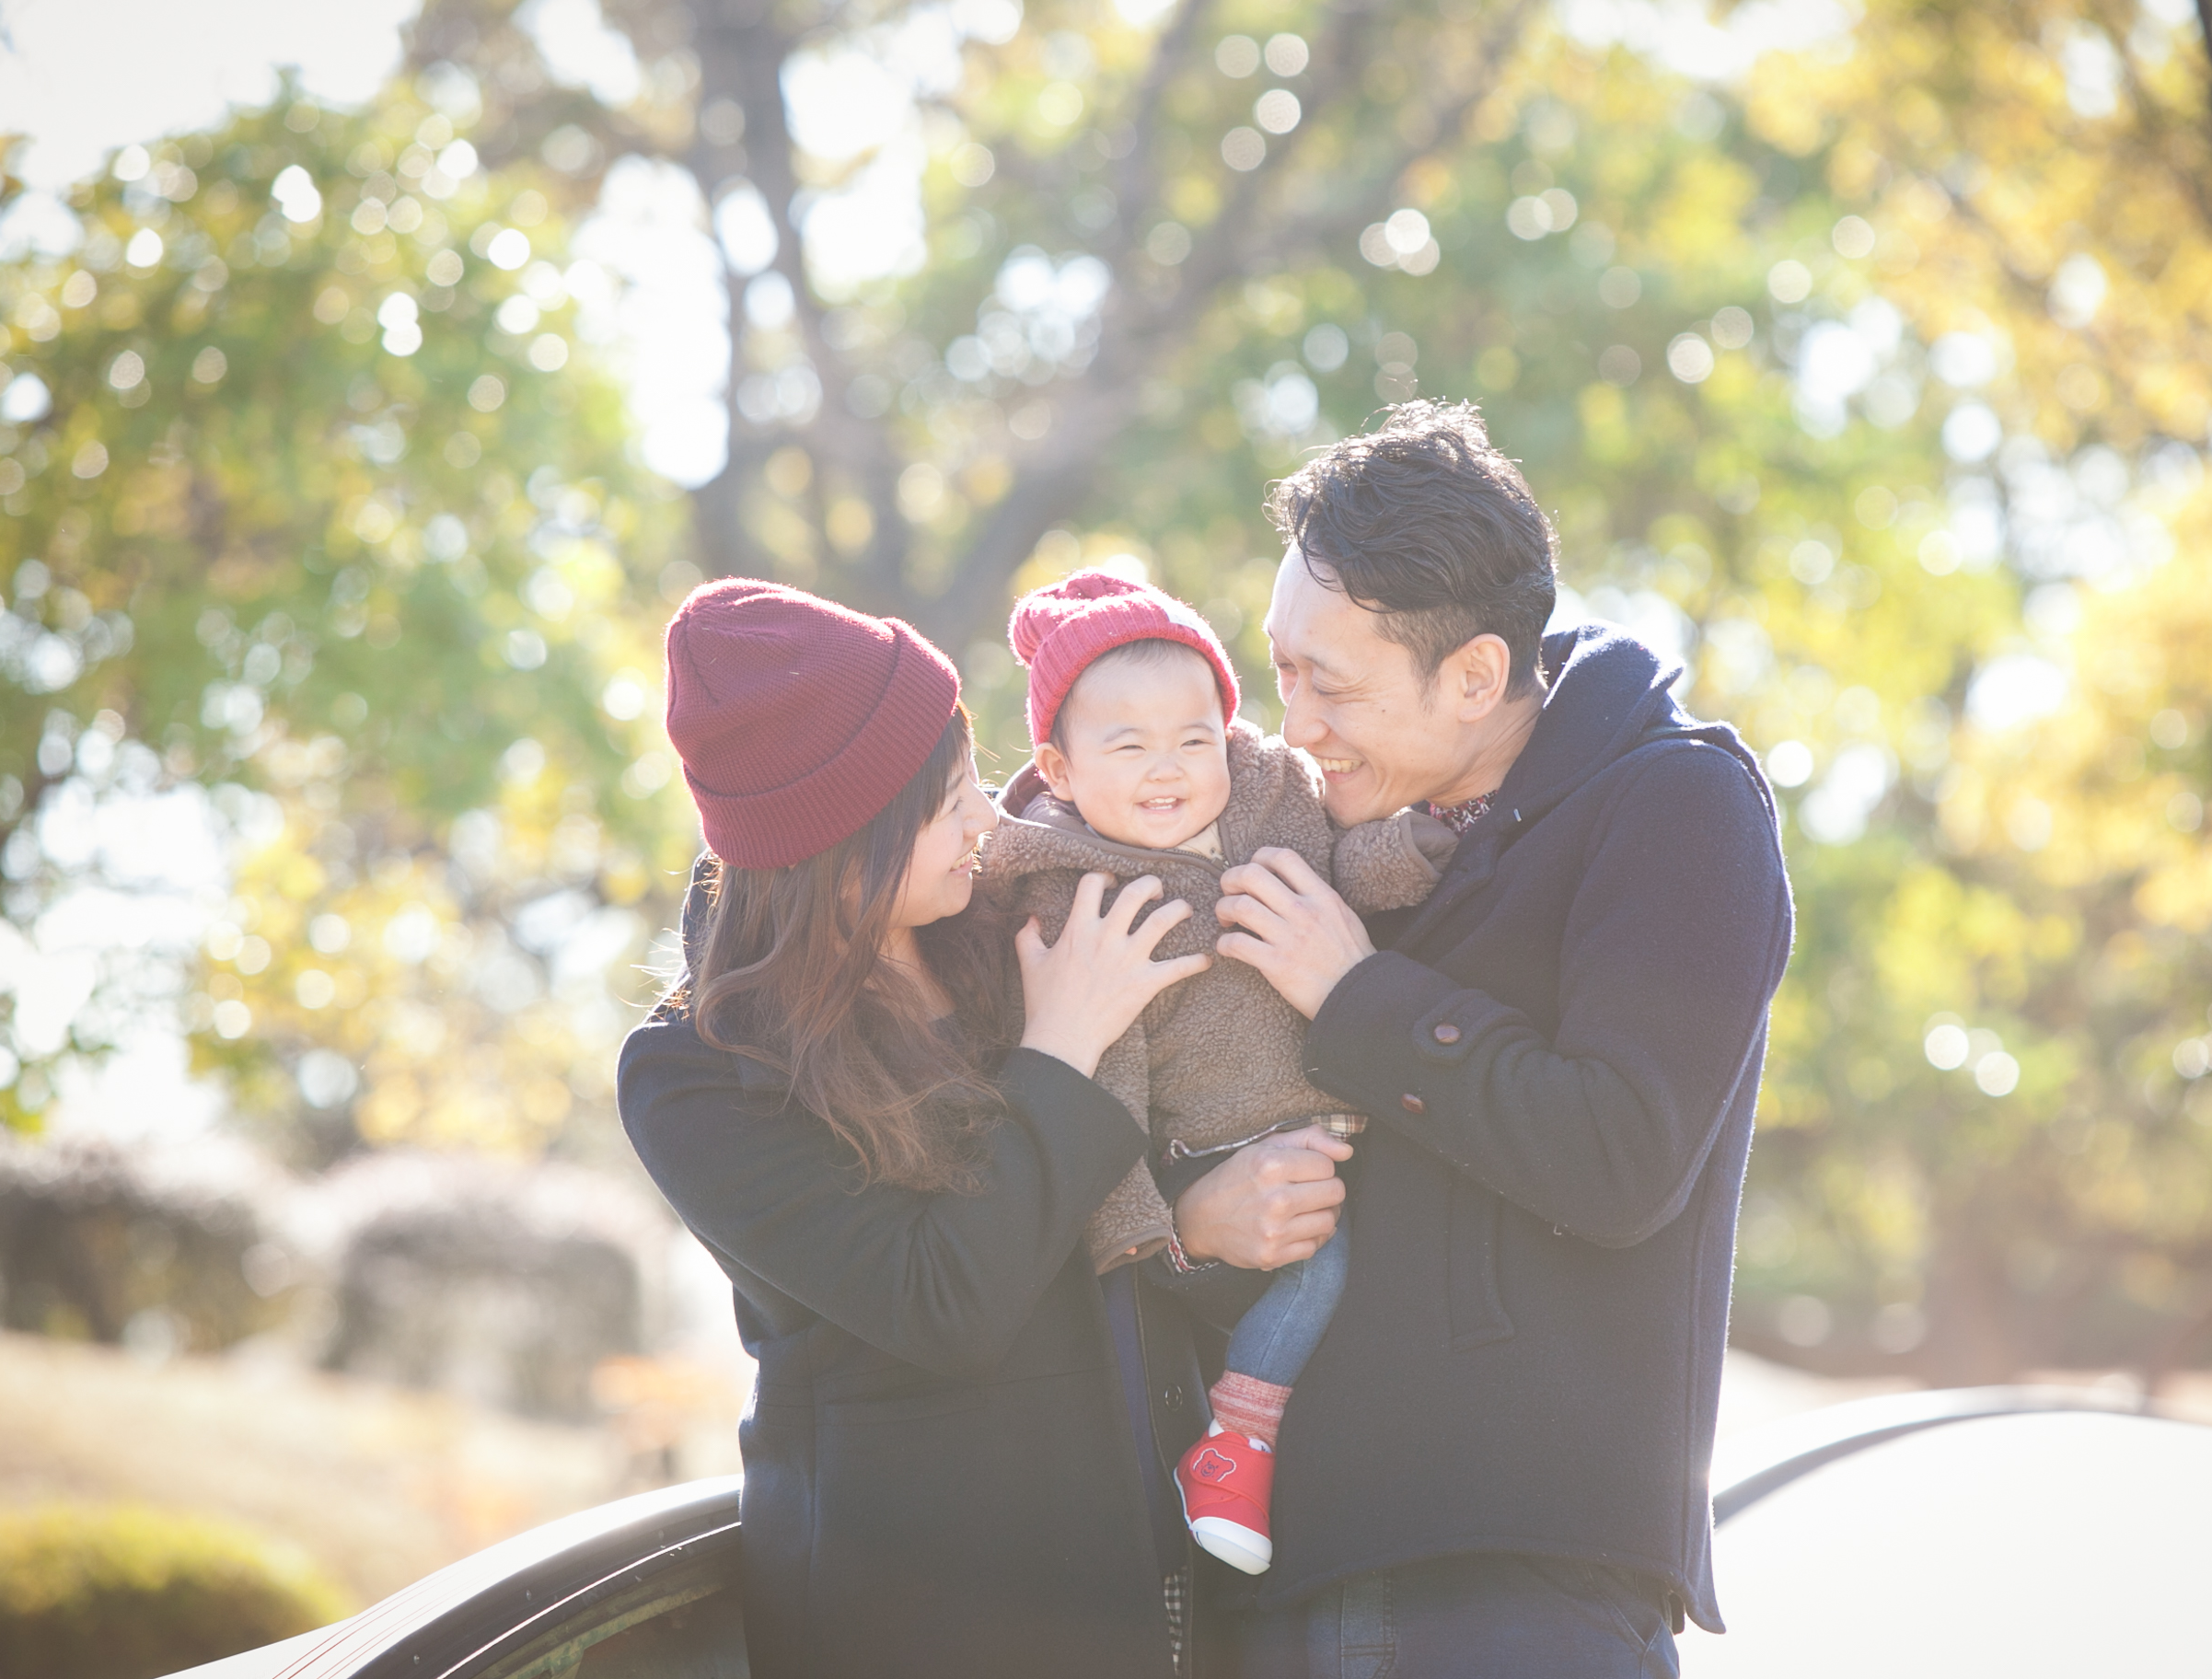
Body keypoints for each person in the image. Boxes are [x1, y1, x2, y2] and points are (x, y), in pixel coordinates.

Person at [1203, 401, 1795, 1675]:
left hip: (1520, 1591)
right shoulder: (1323, 835)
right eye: (1281, 668)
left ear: (1475, 676)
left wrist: (1356, 995)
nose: (1293, 722)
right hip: (1279, 1579)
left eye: (1331, 683)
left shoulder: (1680, 805)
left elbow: (1622, 1155)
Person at [614, 579, 1295, 1677]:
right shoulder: (699, 1077)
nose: (988, 817)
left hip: (1153, 1578)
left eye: (977, 780)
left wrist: (1191, 1228)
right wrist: (1060, 1044)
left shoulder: (1009, 937)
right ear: (840, 835)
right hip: (926, 1622)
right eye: (946, 802)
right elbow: (944, 1303)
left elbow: (1114, 1203)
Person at [978, 569, 1453, 1577]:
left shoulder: (1273, 800)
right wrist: (1146, 1229)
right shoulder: (1076, 896)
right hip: (1216, 1145)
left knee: (1390, 1258)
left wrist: (1414, 847)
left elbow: (1343, 865)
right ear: (1059, 770)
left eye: (1195, 740)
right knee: (1318, 1267)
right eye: (1129, 747)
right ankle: (1238, 1442)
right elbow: (1106, 1078)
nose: (1169, 770)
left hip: (1342, 1117)